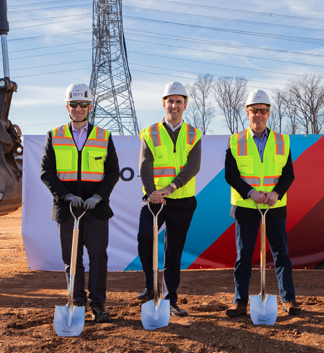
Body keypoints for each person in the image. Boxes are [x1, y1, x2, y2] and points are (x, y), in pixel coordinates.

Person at [40, 83, 120, 323]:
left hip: (95, 209)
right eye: (73, 104)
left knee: (98, 256)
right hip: (67, 209)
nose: (78, 109)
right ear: (67, 107)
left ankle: (98, 304)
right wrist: (66, 196)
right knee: (71, 258)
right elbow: (47, 172)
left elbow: (113, 172)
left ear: (89, 107)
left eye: (82, 105)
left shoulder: (103, 136)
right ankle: (76, 301)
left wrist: (98, 196)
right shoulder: (54, 135)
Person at [223, 89, 300, 317]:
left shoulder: (282, 141)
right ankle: (240, 301)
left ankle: (288, 299)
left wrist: (276, 193)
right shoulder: (235, 141)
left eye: (263, 111)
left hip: (274, 208)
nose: (258, 114)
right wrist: (250, 192)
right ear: (247, 113)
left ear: (269, 114)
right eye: (254, 110)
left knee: (281, 255)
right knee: (243, 256)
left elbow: (288, 175)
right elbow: (231, 175)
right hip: (247, 208)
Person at [135, 81, 202, 317]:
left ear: (185, 105)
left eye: (178, 101)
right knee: (145, 237)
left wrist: (171, 188)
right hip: (154, 200)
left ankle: (170, 299)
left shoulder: (194, 134)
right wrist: (153, 192)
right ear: (164, 104)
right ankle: (150, 285)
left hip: (182, 201)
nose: (174, 105)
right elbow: (145, 164)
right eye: (170, 101)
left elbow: (193, 167)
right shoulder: (149, 132)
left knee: (174, 252)